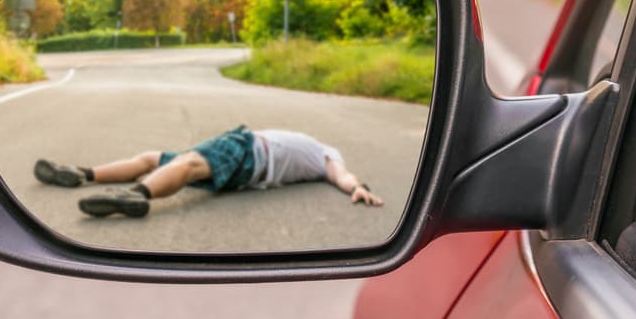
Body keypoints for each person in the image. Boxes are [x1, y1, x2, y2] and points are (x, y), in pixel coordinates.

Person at [33, 125, 384, 218]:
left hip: (248, 148)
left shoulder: (328, 154)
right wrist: (353, 186)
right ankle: (81, 175)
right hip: (249, 167)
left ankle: (136, 196)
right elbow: (339, 176)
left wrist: (357, 187)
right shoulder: (322, 155)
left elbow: (341, 175)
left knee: (187, 164)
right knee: (154, 158)